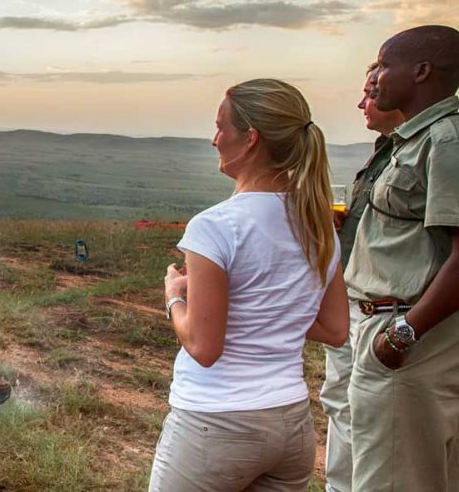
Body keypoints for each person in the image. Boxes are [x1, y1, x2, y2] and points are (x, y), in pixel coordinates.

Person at [148, 79, 348, 491]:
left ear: (251, 138)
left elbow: (204, 348)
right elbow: (334, 329)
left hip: (215, 423)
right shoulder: (320, 225)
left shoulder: (215, 226)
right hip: (290, 425)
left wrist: (175, 298)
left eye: (221, 127)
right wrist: (250, 305)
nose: (214, 139)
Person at [344, 25, 459, 492]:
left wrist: (404, 334)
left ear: (421, 71)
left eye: (384, 64)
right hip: (397, 329)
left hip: (408, 335)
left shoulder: (445, 142)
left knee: (390, 479)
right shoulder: (415, 139)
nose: (376, 77)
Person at [320, 64, 406, 492]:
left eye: (371, 92)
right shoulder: (384, 150)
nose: (362, 102)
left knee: (374, 416)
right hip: (354, 296)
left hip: (390, 310)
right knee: (339, 401)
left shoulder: (437, 147)